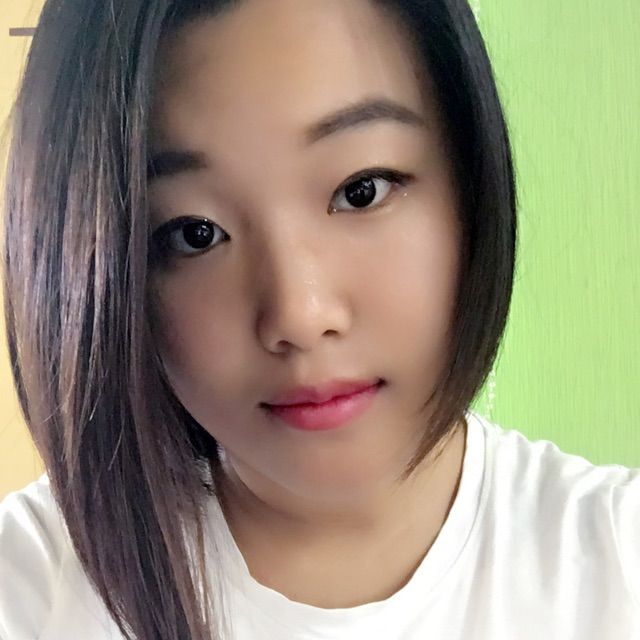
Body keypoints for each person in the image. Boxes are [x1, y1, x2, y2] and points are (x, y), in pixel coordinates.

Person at [0, 0, 638, 638]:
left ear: (469, 181)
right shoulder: (28, 588)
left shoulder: (617, 560)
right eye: (194, 233)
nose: (300, 316)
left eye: (362, 190)